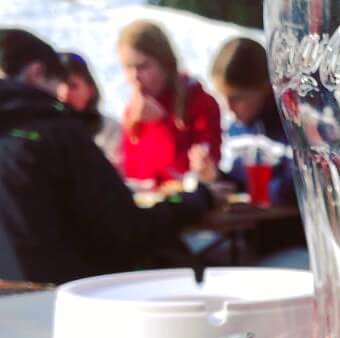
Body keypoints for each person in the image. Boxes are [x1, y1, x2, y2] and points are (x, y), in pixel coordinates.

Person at [0, 29, 214, 284]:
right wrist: (198, 200)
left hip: (13, 307)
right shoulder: (56, 133)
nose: (62, 99)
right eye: (56, 88)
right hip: (73, 299)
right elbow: (126, 230)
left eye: (142, 66)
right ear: (35, 73)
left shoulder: (194, 102)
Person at [118, 20, 221, 184]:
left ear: (164, 63)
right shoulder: (133, 111)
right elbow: (133, 174)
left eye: (143, 66)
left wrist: (162, 124)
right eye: (128, 67)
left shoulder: (199, 103)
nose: (135, 76)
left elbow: (191, 175)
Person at [206, 36, 295, 205]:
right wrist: (217, 177)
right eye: (223, 98)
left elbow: (296, 187)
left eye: (237, 98)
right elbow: (241, 182)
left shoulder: (290, 127)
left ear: (266, 88)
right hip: (245, 227)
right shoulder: (236, 128)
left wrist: (260, 192)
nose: (229, 108)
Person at [58, 51, 122, 167]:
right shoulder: (46, 132)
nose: (65, 93)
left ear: (90, 89)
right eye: (58, 85)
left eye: (73, 86)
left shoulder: (110, 129)